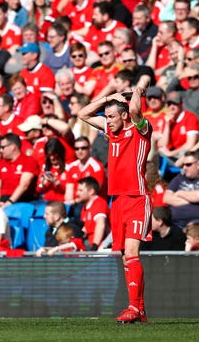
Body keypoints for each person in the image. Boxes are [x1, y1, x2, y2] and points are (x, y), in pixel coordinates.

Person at [78, 75, 151, 323]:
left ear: (123, 116)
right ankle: (138, 309)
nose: (107, 120)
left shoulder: (141, 129)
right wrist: (108, 97)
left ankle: (133, 307)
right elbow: (83, 114)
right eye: (106, 116)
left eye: (111, 115)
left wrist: (139, 87)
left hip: (137, 197)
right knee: (125, 256)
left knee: (131, 253)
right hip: (117, 200)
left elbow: (134, 108)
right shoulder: (111, 129)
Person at [164, 151, 199, 227]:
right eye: (183, 165)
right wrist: (192, 200)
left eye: (188, 165)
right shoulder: (180, 177)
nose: (184, 168)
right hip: (173, 221)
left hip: (197, 223)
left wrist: (180, 193)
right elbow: (166, 198)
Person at [77, 177, 109, 251]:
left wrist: (95, 246)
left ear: (91, 191)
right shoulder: (85, 207)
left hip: (102, 247)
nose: (77, 193)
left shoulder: (99, 203)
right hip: (90, 244)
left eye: (80, 190)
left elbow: (101, 225)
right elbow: (85, 229)